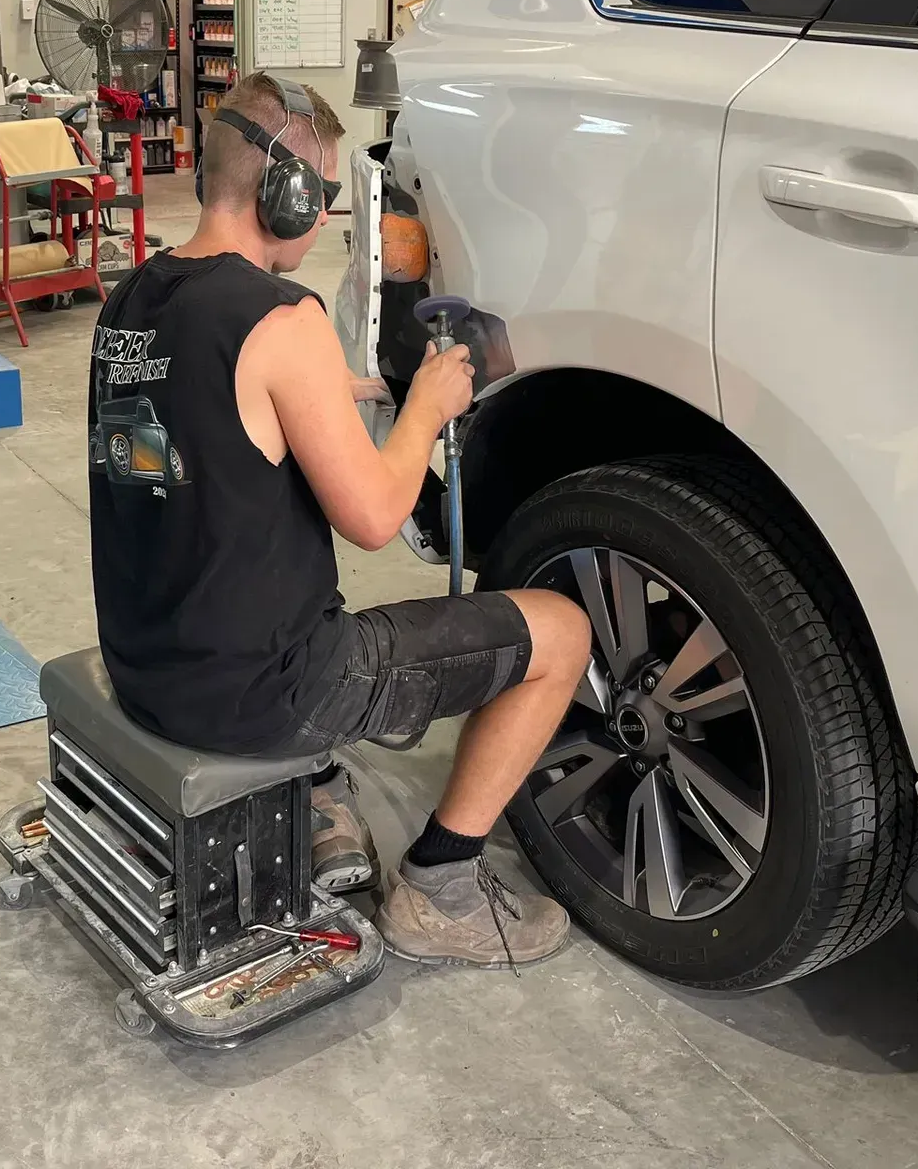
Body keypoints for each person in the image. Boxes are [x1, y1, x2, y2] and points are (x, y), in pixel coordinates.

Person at [87, 73, 593, 968]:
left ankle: (319, 792)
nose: (323, 226)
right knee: (562, 632)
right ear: (286, 198)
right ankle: (440, 885)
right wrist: (426, 409)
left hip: (148, 670)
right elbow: (373, 515)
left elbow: (192, 434)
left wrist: (331, 394)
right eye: (322, 204)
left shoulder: (132, 301)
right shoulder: (282, 318)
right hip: (268, 692)